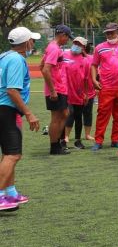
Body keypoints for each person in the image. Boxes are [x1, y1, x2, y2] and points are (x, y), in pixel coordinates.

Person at [0, 27, 42, 211]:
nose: (33, 43)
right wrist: (28, 113)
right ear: (26, 43)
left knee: (8, 153)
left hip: (5, 110)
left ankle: (10, 192)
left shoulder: (4, 56)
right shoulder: (17, 59)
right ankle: (1, 196)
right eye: (32, 40)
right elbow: (12, 90)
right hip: (6, 109)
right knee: (13, 154)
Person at [91, 22, 118, 151]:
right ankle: (98, 141)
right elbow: (94, 65)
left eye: (112, 32)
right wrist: (94, 80)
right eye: (107, 33)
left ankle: (115, 140)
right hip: (106, 87)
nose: (109, 35)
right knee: (102, 114)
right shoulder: (99, 47)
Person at [41, 24, 72, 155]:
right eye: (67, 37)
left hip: (60, 88)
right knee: (56, 118)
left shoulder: (53, 47)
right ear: (62, 35)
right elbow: (45, 69)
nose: (68, 40)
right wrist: (52, 89)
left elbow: (41, 65)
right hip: (56, 89)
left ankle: (58, 143)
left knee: (64, 114)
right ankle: (54, 147)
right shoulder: (54, 49)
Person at [64, 37, 94, 149]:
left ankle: (78, 140)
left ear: (84, 47)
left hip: (79, 93)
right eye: (75, 43)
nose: (76, 45)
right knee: (68, 113)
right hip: (66, 92)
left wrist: (86, 94)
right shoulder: (64, 55)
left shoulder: (85, 60)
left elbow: (86, 79)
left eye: (79, 44)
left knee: (78, 116)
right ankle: (65, 137)